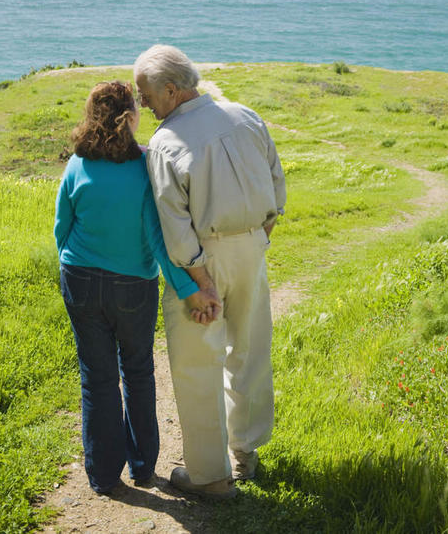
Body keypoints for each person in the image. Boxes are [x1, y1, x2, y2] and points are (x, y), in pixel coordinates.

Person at [133, 44, 286, 501]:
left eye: (145, 93)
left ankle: (209, 476)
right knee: (251, 350)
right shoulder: (245, 115)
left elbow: (175, 224)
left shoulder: (164, 143)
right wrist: (261, 236)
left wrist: (201, 280)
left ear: (171, 90)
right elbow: (277, 182)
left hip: (203, 259)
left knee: (198, 362)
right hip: (251, 248)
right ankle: (246, 454)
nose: (143, 103)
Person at [54, 81, 212, 495]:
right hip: (133, 288)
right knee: (138, 373)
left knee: (97, 378)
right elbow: (158, 242)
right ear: (130, 118)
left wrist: (76, 269)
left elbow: (61, 230)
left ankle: (103, 477)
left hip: (80, 279)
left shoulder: (76, 164)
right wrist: (187, 285)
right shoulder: (144, 168)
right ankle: (142, 467)